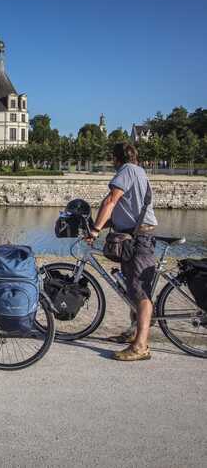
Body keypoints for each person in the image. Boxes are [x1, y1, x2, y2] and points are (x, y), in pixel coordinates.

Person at [87, 142, 157, 361]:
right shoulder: (138, 171)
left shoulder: (126, 171)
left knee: (140, 291)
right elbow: (124, 209)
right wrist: (101, 224)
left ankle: (140, 346)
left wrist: (95, 230)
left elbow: (111, 201)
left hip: (139, 239)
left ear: (116, 159)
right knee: (131, 286)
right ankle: (134, 332)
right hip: (134, 236)